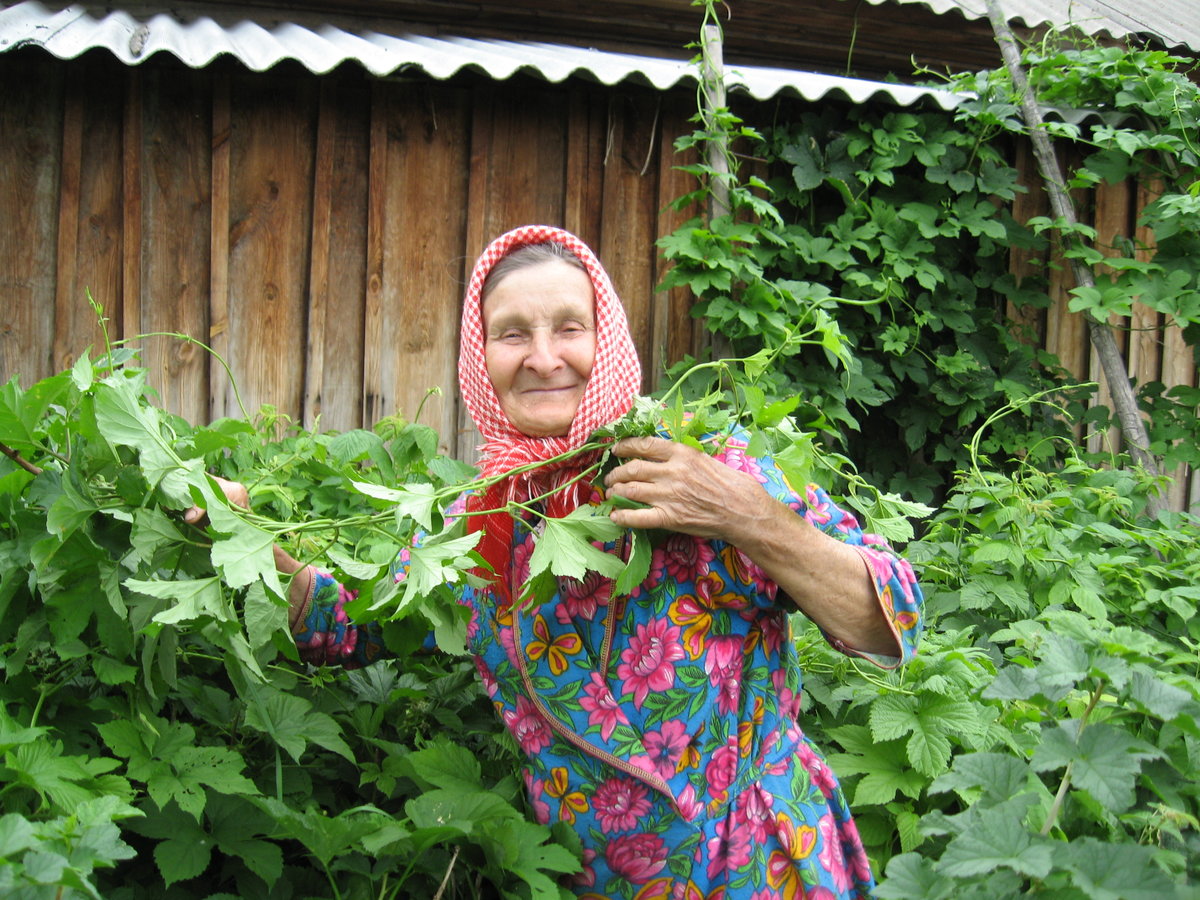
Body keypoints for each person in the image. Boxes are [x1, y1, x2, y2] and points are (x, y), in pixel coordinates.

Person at [196, 225, 924, 899]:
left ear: (604, 340)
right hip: (596, 880)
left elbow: (890, 618)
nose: (543, 357)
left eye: (569, 328)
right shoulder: (478, 526)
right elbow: (348, 627)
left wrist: (745, 514)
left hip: (759, 866)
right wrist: (237, 533)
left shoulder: (695, 466)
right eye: (512, 335)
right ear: (479, 359)